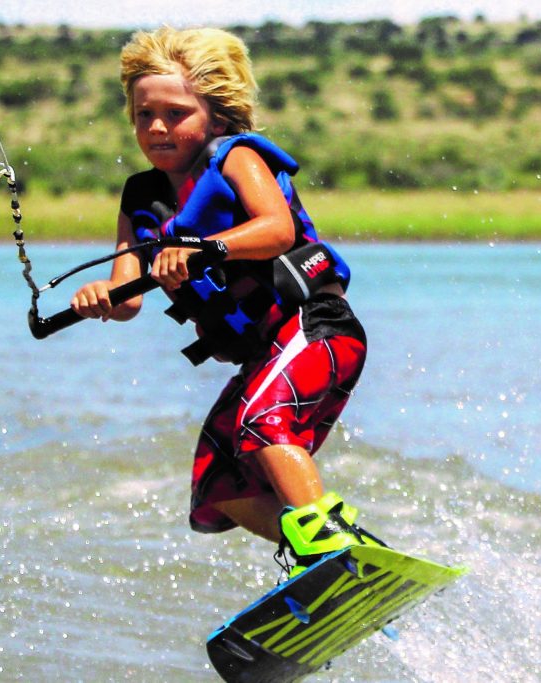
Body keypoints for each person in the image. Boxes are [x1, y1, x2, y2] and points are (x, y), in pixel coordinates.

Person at [70, 26, 383, 578]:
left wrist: (200, 251)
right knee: (218, 484)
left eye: (176, 113)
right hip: (264, 353)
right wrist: (102, 297)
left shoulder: (234, 157)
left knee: (263, 423)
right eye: (144, 115)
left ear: (215, 115)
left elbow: (277, 230)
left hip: (316, 330)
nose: (158, 127)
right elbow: (127, 298)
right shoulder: (141, 197)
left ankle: (328, 546)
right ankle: (327, 555)